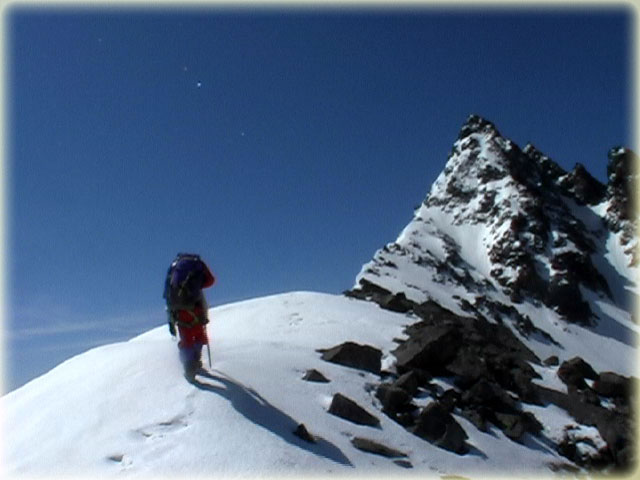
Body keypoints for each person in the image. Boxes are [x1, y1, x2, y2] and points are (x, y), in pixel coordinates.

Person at [163, 253, 216, 379]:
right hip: (196, 307)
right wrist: (197, 285)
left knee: (186, 338)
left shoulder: (174, 266)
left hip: (178, 310)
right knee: (198, 336)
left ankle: (188, 365)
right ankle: (194, 361)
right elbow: (211, 281)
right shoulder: (198, 263)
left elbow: (168, 289)